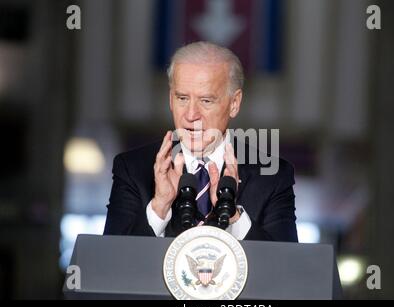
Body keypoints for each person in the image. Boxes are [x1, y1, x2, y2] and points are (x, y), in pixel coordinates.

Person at [104, 41, 298, 242]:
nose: (191, 114)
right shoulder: (132, 169)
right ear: (171, 99)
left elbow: (284, 267)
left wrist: (234, 217)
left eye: (206, 101)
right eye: (182, 98)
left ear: (234, 103)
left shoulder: (273, 176)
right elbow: (110, 264)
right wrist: (159, 207)